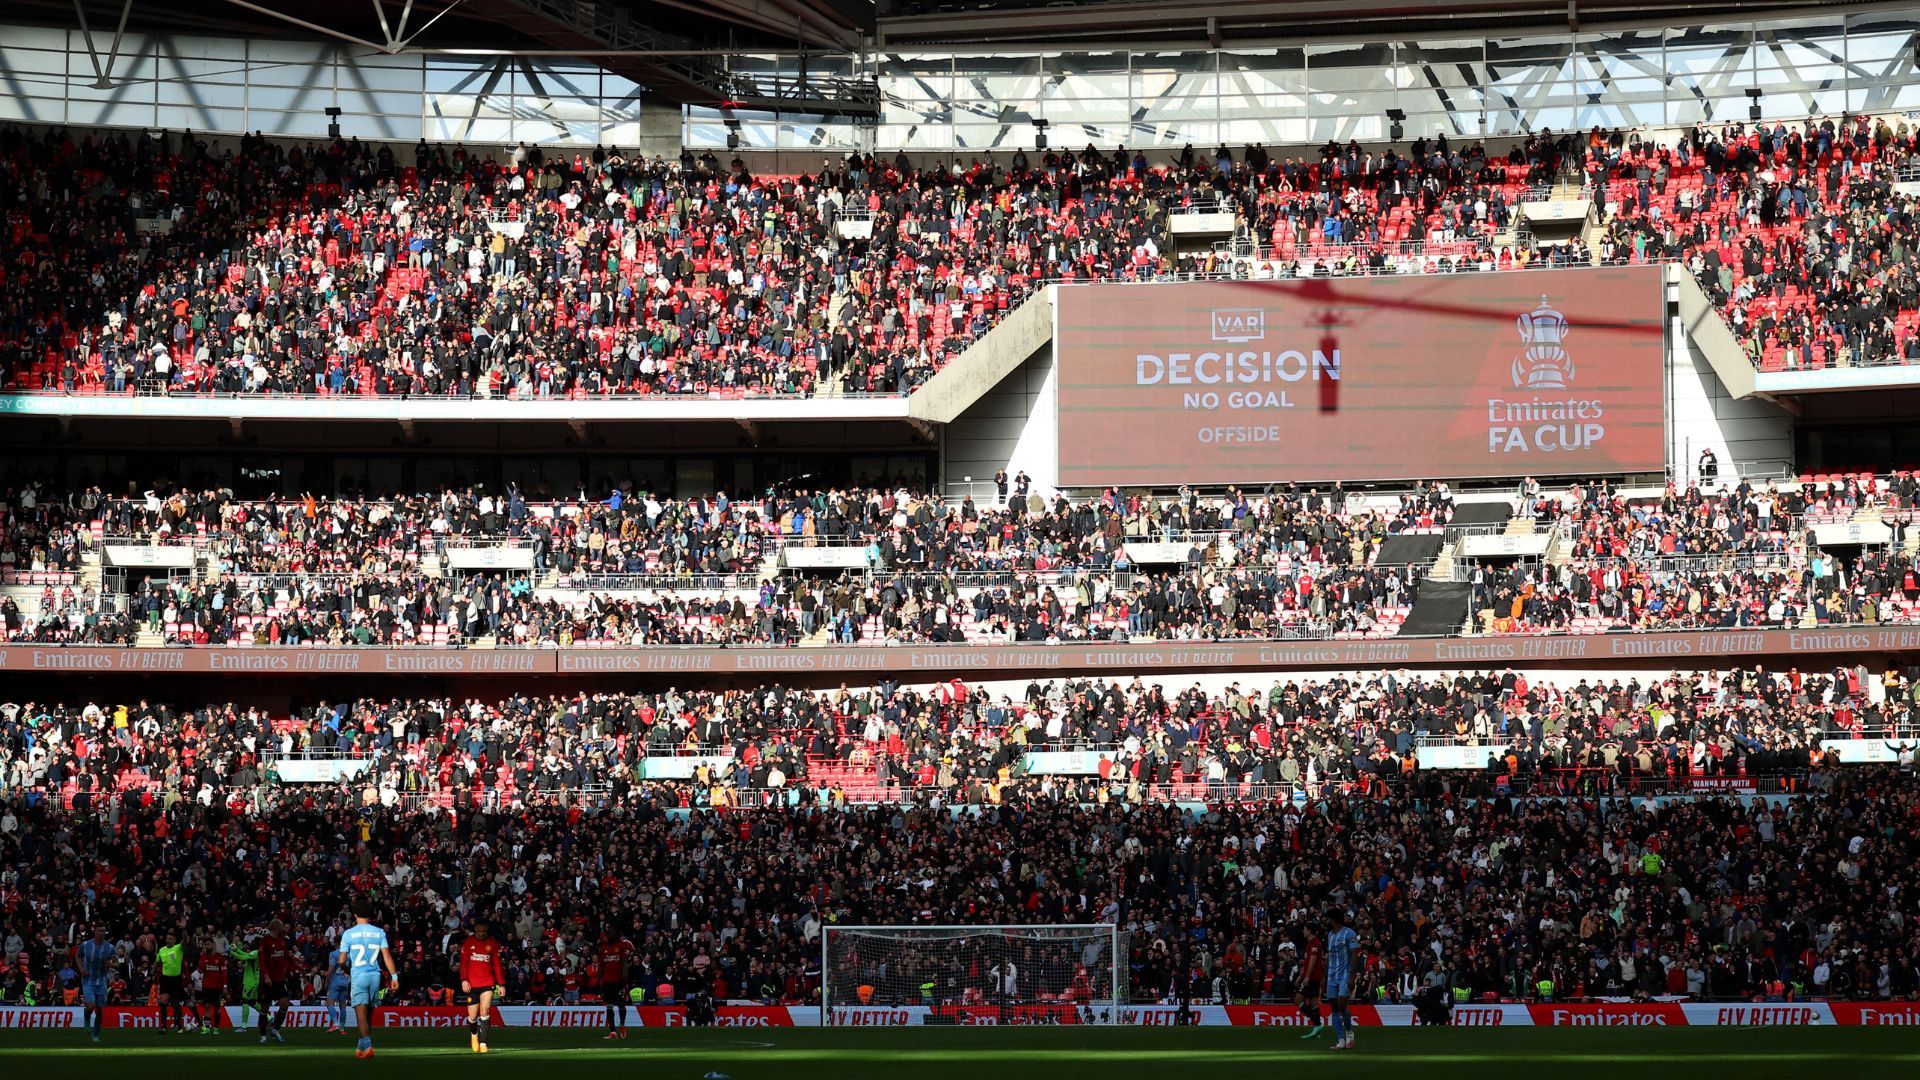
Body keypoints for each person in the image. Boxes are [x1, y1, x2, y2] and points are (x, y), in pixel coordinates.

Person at [338, 899, 400, 1060]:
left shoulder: (349, 934)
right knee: (369, 1014)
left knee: (361, 1015)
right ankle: (361, 1045)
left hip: (359, 975)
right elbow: (386, 955)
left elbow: (341, 961)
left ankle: (368, 1044)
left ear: (355, 914)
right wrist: (394, 976)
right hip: (375, 976)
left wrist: (347, 971)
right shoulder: (379, 932)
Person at [456, 920, 506, 1054]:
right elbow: (463, 963)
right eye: (479, 931)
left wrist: (501, 984)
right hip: (472, 984)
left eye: (484, 931)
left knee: (485, 1011)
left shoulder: (492, 944)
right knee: (472, 1017)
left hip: (487, 982)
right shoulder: (468, 942)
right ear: (475, 929)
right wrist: (464, 980)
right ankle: (474, 1035)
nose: (481, 934)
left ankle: (483, 1043)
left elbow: (497, 965)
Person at [1323, 909, 1362, 1051]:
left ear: (1333, 919)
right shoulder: (1330, 935)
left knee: (1341, 1004)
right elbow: (1329, 956)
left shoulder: (1349, 933)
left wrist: (1352, 976)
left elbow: (1355, 955)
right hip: (1332, 976)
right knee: (1334, 1007)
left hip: (1345, 974)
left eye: (1328, 918)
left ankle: (1349, 1032)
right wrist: (1324, 976)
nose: (1327, 921)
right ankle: (1340, 1041)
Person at [255, 919, 296, 1043]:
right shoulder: (265, 941)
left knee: (284, 1004)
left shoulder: (282, 941)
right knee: (264, 1009)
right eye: (282, 926)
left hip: (279, 979)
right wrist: (266, 976)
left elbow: (286, 956)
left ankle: (275, 1029)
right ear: (276, 927)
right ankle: (263, 1036)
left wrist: (296, 965)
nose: (284, 928)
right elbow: (261, 960)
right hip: (267, 981)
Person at [595, 927, 635, 1039]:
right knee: (609, 1006)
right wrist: (599, 979)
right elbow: (601, 965)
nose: (605, 938)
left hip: (619, 981)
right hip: (607, 982)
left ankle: (622, 1025)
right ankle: (612, 1031)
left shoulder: (621, 946)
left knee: (621, 1005)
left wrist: (624, 977)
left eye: (607, 936)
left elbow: (625, 962)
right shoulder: (603, 948)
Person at [78, 923, 114, 1043]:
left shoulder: (109, 947)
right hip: (88, 980)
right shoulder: (86, 945)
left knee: (100, 1009)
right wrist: (81, 968)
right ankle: (87, 1018)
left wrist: (112, 964)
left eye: (103, 931)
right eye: (99, 930)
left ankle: (95, 1033)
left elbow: (117, 962)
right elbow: (78, 957)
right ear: (95, 931)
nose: (101, 933)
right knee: (91, 1005)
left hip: (102, 981)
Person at [1294, 920, 1327, 1040]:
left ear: (1309, 931)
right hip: (1312, 977)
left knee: (1298, 1000)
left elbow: (1312, 963)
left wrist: (1306, 977)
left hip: (1312, 978)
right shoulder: (1310, 944)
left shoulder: (1314, 943)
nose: (1303, 930)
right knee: (1313, 1003)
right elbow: (1307, 963)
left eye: (1305, 929)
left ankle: (1317, 1024)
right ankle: (1317, 1031)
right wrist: (1301, 976)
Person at [196, 933, 229, 1035]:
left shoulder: (220, 958)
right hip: (206, 986)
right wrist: (202, 957)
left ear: (213, 944)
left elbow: (224, 974)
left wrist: (225, 986)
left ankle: (216, 1028)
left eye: (208, 944)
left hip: (217, 987)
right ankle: (206, 1028)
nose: (207, 946)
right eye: (206, 945)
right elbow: (200, 971)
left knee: (217, 1008)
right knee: (206, 1006)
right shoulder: (204, 957)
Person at [156, 929, 187, 1034]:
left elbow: (186, 940)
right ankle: (164, 1026)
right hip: (165, 979)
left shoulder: (178, 948)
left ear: (174, 940)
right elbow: (157, 962)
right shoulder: (161, 950)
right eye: (167, 938)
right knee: (163, 1002)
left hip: (176, 980)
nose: (167, 940)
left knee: (175, 1005)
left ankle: (179, 1025)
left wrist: (184, 929)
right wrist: (153, 969)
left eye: (170, 939)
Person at [229, 937, 261, 1032]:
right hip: (253, 981)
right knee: (253, 1002)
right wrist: (236, 950)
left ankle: (243, 1026)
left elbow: (243, 957)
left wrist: (231, 952)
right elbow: (246, 955)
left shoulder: (256, 952)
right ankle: (270, 1018)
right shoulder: (256, 953)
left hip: (250, 982)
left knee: (245, 1001)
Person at [325, 955, 352, 1034]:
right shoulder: (350, 955)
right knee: (343, 1006)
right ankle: (342, 1029)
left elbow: (331, 969)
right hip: (345, 983)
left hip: (335, 983)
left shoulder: (334, 953)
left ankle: (335, 1024)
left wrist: (326, 980)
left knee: (329, 1003)